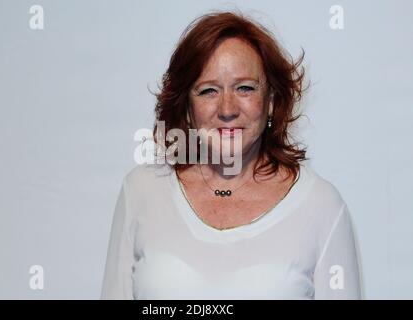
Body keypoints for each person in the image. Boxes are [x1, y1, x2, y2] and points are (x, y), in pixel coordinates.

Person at [101, 10, 362, 300]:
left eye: (245, 88)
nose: (227, 109)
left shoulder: (322, 206)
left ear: (272, 101)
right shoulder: (140, 190)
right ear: (187, 108)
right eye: (208, 91)